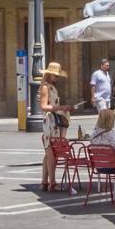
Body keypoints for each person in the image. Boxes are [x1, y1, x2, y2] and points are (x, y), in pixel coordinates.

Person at [38, 63, 73, 191]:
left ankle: (44, 182)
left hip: (54, 121)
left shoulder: (51, 87)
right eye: (55, 75)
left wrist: (63, 108)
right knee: (51, 151)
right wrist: (60, 108)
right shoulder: (45, 87)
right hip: (50, 121)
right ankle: (52, 182)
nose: (56, 78)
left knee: (49, 152)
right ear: (49, 74)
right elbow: (43, 106)